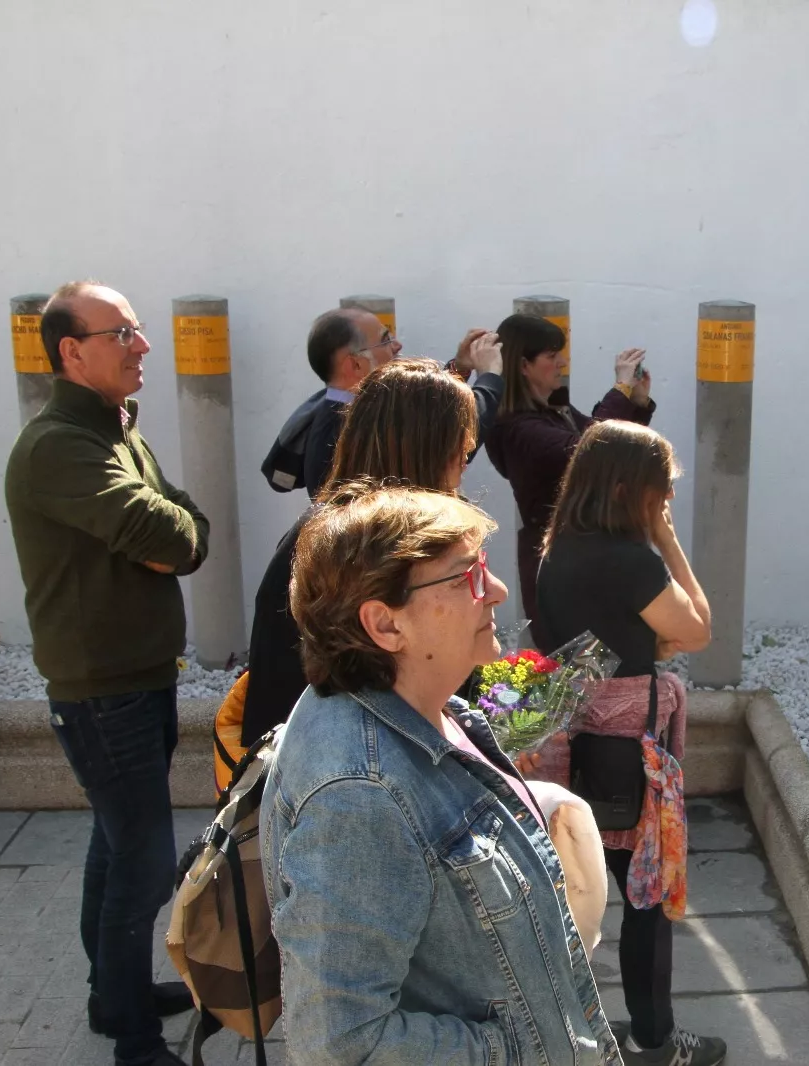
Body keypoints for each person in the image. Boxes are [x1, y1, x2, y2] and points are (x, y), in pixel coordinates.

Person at [261, 484, 619, 1065]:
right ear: (385, 625)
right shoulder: (358, 797)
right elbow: (339, 1045)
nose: (498, 590)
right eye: (466, 577)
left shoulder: (423, 707)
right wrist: (522, 1051)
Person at [4, 281, 204, 1066]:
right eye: (122, 333)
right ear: (71, 352)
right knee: (144, 859)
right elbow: (155, 528)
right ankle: (131, 1036)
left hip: (138, 674)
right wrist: (166, 536)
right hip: (102, 689)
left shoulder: (116, 428)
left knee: (116, 846)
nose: (142, 345)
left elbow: (186, 530)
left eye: (139, 329)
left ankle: (109, 995)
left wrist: (168, 536)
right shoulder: (60, 444)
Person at [534, 421, 722, 1066]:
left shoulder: (556, 550)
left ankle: (564, 1036)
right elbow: (696, 631)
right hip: (629, 758)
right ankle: (655, 1044)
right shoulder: (632, 559)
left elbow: (598, 645)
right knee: (646, 899)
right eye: (659, 493)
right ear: (625, 489)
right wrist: (667, 541)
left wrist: (652, 640)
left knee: (574, 894)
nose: (664, 503)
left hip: (568, 746)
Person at [241, 355, 497, 748]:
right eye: (458, 445)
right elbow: (288, 692)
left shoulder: (406, 536)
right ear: (425, 450)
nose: (465, 457)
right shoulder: (338, 547)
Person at [482, 314, 653, 648]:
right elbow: (594, 448)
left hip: (584, 552)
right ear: (523, 366)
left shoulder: (551, 410)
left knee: (608, 660)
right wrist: (620, 388)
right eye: (551, 355)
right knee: (574, 668)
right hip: (560, 563)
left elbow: (614, 445)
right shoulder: (517, 427)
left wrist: (637, 402)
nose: (562, 362)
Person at [263, 310, 503, 498]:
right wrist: (490, 375)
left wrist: (459, 369)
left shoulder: (353, 410)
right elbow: (449, 437)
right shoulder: (349, 424)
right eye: (385, 341)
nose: (397, 346)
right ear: (355, 365)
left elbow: (430, 415)